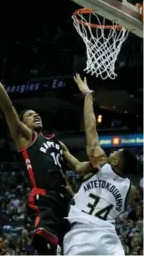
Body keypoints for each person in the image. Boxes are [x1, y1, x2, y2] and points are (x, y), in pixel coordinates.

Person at [0, 51, 101, 255]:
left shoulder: (57, 143)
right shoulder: (25, 137)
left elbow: (79, 167)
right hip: (45, 198)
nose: (36, 115)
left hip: (66, 198)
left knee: (75, 247)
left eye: (36, 113)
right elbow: (6, 106)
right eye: (30, 115)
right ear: (23, 122)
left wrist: (95, 163)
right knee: (44, 244)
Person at [63, 74, 138, 256]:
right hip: (108, 240)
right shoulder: (132, 191)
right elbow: (101, 202)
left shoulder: (100, 164)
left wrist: (88, 95)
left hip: (80, 237)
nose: (111, 152)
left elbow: (91, 128)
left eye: (115, 152)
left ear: (115, 161)